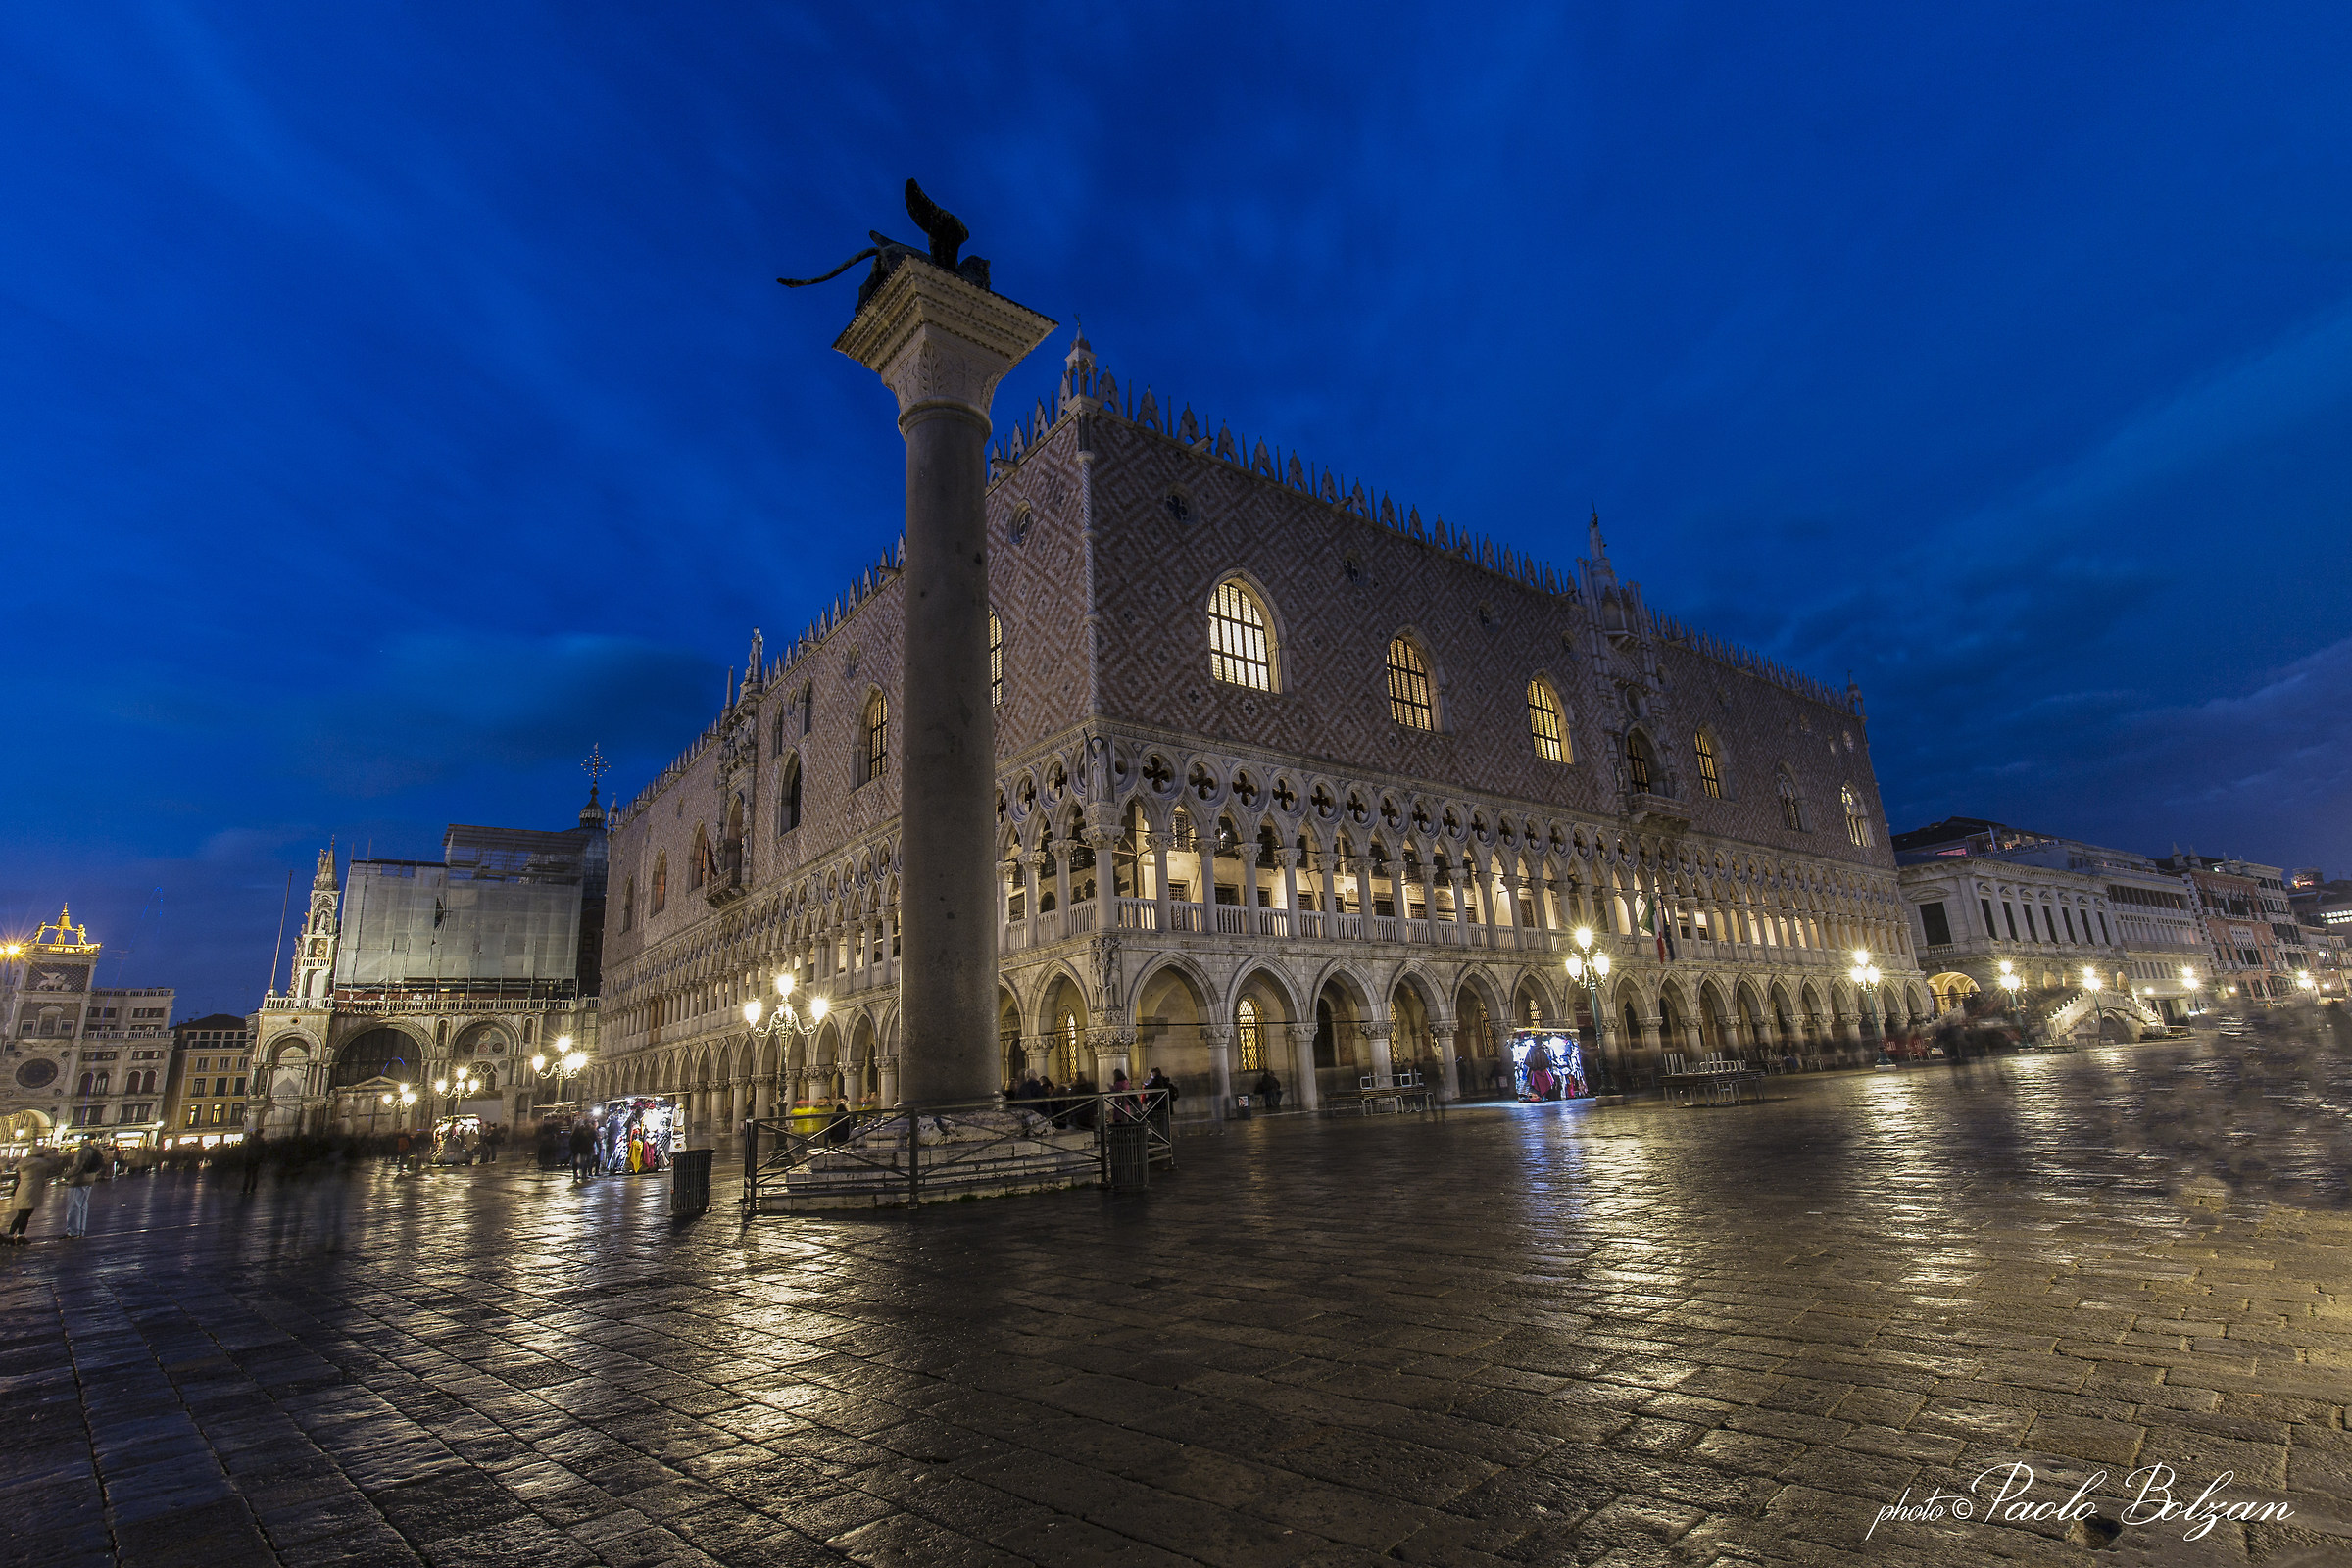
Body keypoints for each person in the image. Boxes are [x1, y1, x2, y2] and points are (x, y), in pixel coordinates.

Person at [7, 1146, 61, 1244]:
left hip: (23, 1189)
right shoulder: (38, 1162)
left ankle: (10, 1235)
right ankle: (20, 1236)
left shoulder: (26, 1162)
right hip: (32, 1190)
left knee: (21, 1214)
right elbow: (52, 1163)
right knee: (25, 1215)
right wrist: (48, 1155)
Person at [62, 1141, 105, 1238]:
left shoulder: (83, 1151)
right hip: (89, 1180)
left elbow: (77, 1166)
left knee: (74, 1206)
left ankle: (73, 1231)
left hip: (78, 1180)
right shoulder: (95, 1151)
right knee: (83, 1205)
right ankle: (81, 1229)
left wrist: (66, 1175)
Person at [239, 1129, 268, 1195]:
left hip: (250, 1159)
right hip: (255, 1160)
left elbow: (249, 1145)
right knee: (254, 1175)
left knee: (248, 1175)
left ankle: (245, 1189)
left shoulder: (254, 1140)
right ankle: (252, 1189)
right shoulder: (261, 1141)